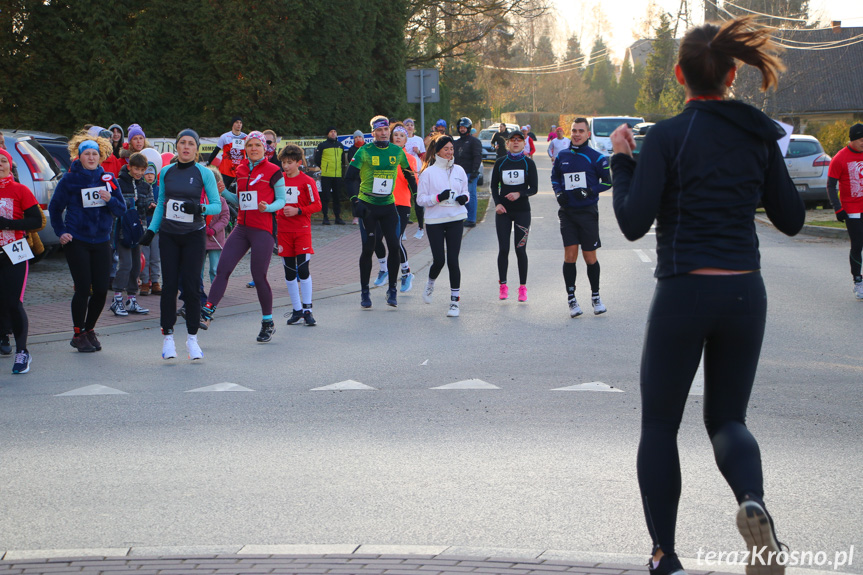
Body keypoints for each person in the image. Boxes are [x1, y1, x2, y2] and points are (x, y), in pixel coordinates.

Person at [609, 17, 804, 575]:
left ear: (679, 75)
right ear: (734, 72)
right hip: (744, 292)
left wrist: (623, 162)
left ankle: (665, 555)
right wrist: (767, 159)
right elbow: (791, 219)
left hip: (683, 290)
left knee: (659, 426)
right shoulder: (760, 134)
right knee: (727, 420)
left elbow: (631, 223)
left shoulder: (668, 136)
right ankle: (754, 502)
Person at [140, 129, 222, 360]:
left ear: (197, 149)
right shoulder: (166, 172)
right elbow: (163, 203)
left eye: (190, 144)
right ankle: (168, 338)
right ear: (176, 147)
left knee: (192, 286)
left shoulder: (204, 173)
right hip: (169, 235)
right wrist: (151, 230)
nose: (186, 147)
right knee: (169, 287)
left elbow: (216, 205)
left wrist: (199, 209)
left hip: (194, 235)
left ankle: (192, 339)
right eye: (182, 143)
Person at [200, 131, 286, 342]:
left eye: (258, 145)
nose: (254, 149)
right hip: (241, 228)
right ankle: (207, 313)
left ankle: (268, 322)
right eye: (250, 146)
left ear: (264, 148)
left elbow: (282, 200)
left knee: (259, 276)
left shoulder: (274, 170)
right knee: (222, 269)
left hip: (263, 229)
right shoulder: (240, 169)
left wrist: (269, 207)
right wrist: (223, 193)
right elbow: (240, 201)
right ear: (245, 149)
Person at [49, 133, 127, 352]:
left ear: (100, 156)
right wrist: (61, 232)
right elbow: (55, 209)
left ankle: (89, 329)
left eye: (95, 154)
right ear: (79, 156)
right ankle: (77, 333)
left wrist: (109, 199)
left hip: (102, 240)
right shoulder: (70, 179)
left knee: (101, 290)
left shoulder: (109, 179)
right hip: (77, 240)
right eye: (87, 154)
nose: (91, 158)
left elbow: (121, 210)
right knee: (83, 289)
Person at [345, 115, 417, 309]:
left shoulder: (397, 151)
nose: (384, 133)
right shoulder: (364, 151)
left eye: (386, 130)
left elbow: (409, 174)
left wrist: (417, 195)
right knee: (369, 248)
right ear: (373, 133)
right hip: (368, 206)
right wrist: (355, 201)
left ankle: (392, 289)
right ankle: (365, 292)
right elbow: (349, 177)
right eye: (379, 130)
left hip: (388, 205)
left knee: (394, 246)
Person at [551, 118, 612, 318]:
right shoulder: (563, 155)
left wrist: (589, 191)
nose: (576, 134)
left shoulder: (596, 157)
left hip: (587, 213)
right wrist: (559, 193)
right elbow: (555, 177)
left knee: (590, 257)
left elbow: (607, 183)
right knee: (570, 256)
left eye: (581, 131)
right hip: (567, 213)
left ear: (587, 133)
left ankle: (595, 296)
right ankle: (571, 299)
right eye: (574, 130)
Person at [417, 134, 469, 317]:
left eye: (452, 149)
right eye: (446, 149)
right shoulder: (428, 173)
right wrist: (437, 198)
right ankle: (430, 284)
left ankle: (454, 302)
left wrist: (465, 198)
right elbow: (420, 199)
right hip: (435, 221)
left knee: (453, 260)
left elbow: (465, 191)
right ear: (438, 151)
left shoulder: (460, 170)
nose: (449, 152)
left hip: (455, 218)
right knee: (439, 260)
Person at [0, 147, 41, 373]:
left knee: (14, 303)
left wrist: (7, 224)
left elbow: (36, 220)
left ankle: (22, 352)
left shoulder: (20, 189)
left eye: (3, 161)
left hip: (14, 251)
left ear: (9, 165)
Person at [491, 130, 537, 302]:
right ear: (508, 143)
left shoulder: (528, 163)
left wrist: (520, 193)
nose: (516, 142)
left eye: (519, 140)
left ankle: (522, 288)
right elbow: (494, 186)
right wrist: (498, 203)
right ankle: (503, 285)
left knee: (520, 249)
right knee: (503, 249)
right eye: (513, 140)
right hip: (503, 211)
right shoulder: (501, 162)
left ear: (524, 143)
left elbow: (534, 188)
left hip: (522, 211)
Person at [278, 144, 322, 326]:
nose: (286, 166)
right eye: (283, 163)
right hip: (283, 232)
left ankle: (308, 309)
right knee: (289, 272)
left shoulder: (307, 181)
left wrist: (298, 211)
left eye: (289, 163)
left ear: (298, 163)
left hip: (301, 231)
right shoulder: (278, 180)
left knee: (303, 270)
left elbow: (317, 205)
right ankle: (296, 310)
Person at [110, 152, 155, 317]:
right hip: (123, 230)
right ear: (129, 167)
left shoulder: (146, 186)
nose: (139, 173)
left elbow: (145, 206)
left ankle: (131, 299)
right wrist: (132, 202)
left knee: (137, 266)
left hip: (139, 231)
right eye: (136, 169)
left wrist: (150, 206)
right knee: (126, 264)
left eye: (142, 170)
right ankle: (117, 299)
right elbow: (116, 204)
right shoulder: (119, 183)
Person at [827, 123, 863, 299]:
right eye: (861, 139)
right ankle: (858, 281)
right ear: (853, 139)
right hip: (852, 209)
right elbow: (831, 185)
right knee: (857, 244)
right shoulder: (840, 158)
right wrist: (838, 208)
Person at [388, 122, 417, 291]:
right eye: (396, 135)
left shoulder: (410, 159)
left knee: (395, 240)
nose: (398, 138)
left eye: (402, 135)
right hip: (385, 202)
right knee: (384, 240)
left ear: (406, 140)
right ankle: (385, 269)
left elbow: (413, 182)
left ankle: (406, 272)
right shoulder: (385, 156)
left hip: (402, 203)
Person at [453, 117, 483, 228]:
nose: (462, 129)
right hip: (457, 173)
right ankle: (461, 216)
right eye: (460, 127)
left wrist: (475, 171)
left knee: (471, 195)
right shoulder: (456, 142)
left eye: (464, 127)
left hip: (470, 173)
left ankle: (471, 219)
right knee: (459, 195)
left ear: (468, 128)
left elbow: (477, 157)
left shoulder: (474, 141)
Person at [203, 166, 230, 286]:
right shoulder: (201, 200)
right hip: (201, 239)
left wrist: (214, 229)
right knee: (198, 267)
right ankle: (198, 288)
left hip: (215, 239)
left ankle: (216, 288)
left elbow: (225, 218)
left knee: (215, 268)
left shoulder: (221, 200)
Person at [314, 127, 347, 225]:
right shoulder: (322, 145)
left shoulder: (340, 145)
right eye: (331, 132)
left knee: (337, 197)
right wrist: (324, 167)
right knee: (325, 197)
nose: (333, 133)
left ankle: (338, 217)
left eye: (335, 131)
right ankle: (325, 217)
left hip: (337, 175)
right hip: (326, 175)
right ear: (327, 134)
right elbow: (317, 159)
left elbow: (342, 160)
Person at [139, 161, 162, 296]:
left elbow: (163, 204)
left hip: (156, 230)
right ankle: (145, 282)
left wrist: (156, 206)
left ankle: (155, 281)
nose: (149, 176)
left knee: (155, 257)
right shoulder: (141, 188)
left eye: (151, 173)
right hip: (144, 228)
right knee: (145, 257)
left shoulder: (159, 189)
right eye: (147, 173)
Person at [207, 116, 246, 189]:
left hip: (240, 171)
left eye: (240, 123)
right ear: (233, 124)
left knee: (238, 191)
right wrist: (208, 162)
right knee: (222, 190)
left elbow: (248, 154)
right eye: (237, 122)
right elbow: (216, 150)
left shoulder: (245, 137)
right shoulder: (225, 137)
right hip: (226, 171)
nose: (239, 124)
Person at [404, 118, 427, 238]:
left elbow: (424, 157)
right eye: (407, 125)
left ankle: (420, 228)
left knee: (417, 199)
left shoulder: (418, 140)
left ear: (414, 127)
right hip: (404, 174)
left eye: (411, 125)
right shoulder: (402, 138)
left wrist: (418, 152)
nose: (409, 127)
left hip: (417, 173)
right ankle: (403, 229)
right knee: (405, 201)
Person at [346, 130, 366, 225]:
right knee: (355, 195)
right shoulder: (351, 149)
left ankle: (366, 213)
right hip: (355, 176)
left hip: (365, 175)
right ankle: (356, 216)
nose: (358, 139)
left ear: (363, 138)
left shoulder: (367, 147)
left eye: (359, 137)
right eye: (356, 137)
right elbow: (351, 161)